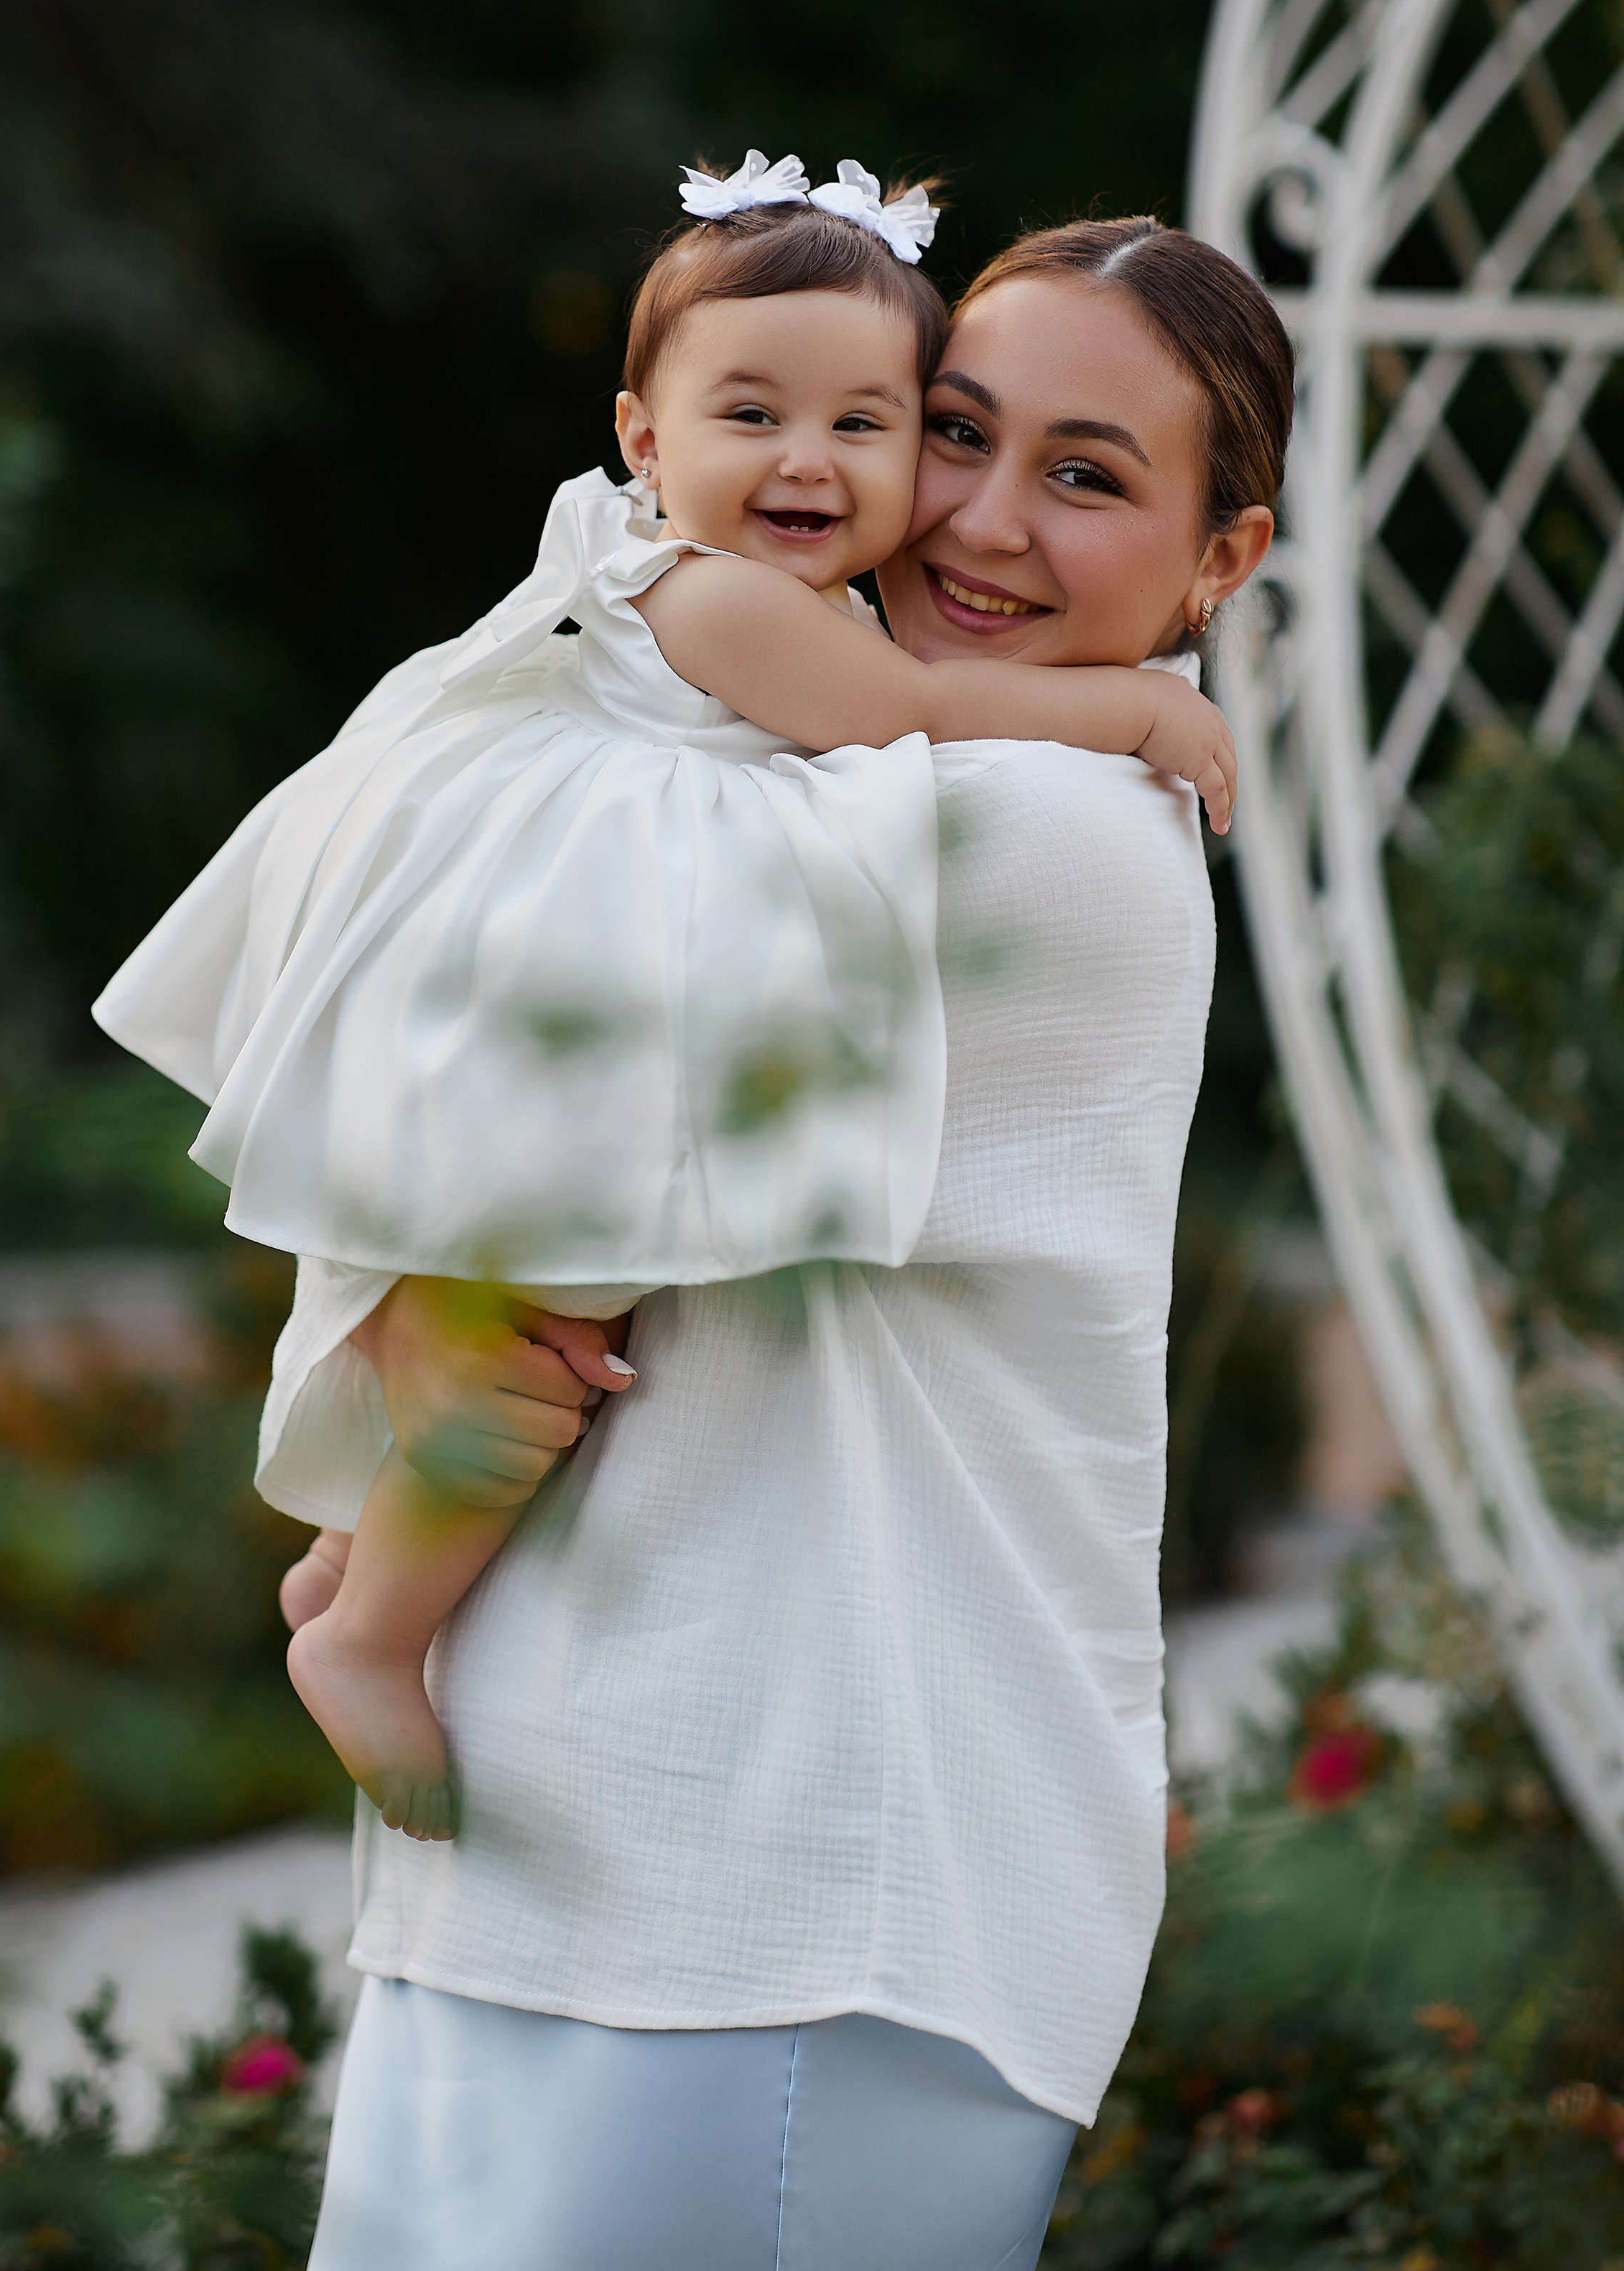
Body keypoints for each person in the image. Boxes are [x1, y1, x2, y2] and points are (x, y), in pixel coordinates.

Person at [293, 216, 1288, 2271]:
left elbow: (527, 1006)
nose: (979, 523)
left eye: (1088, 476)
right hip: (582, 1837)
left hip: (815, 1888)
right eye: (952, 433)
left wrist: (408, 1298)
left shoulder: (1050, 830)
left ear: (1223, 563)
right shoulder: (838, 758)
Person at [92, 155, 1238, 1841]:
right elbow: (895, 713)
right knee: (543, 1338)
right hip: (549, 979)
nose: (808, 462)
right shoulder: (719, 598)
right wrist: (1138, 715)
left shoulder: (753, 600)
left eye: (867, 425)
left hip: (555, 980)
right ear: (642, 438)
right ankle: (372, 1631)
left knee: (527, 1341)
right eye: (752, 414)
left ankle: (358, 1563)